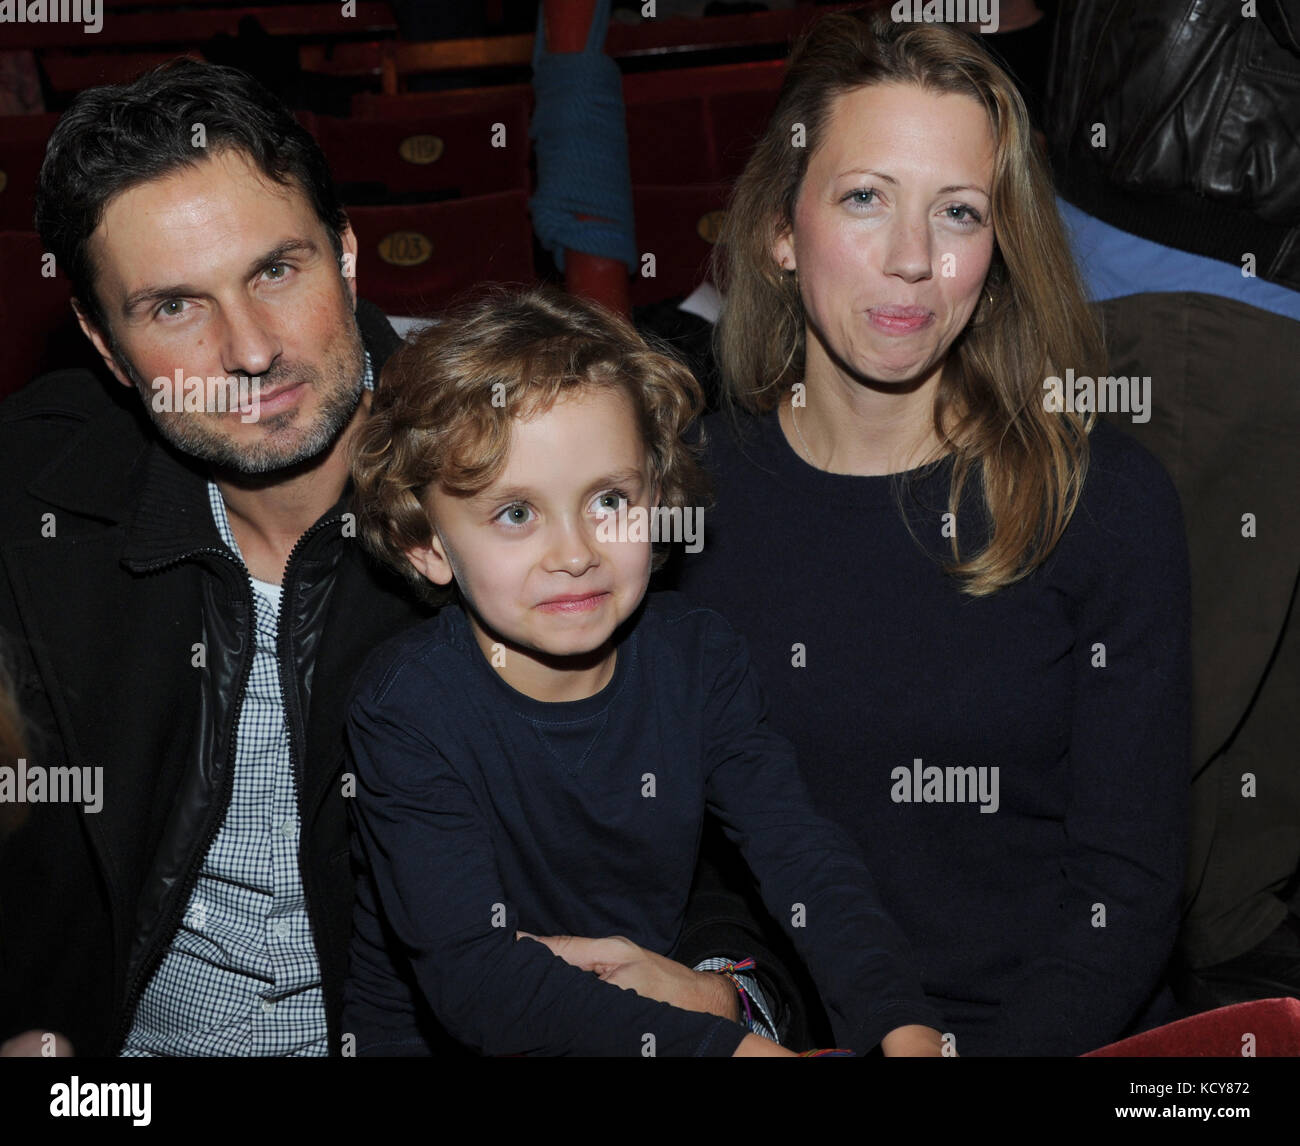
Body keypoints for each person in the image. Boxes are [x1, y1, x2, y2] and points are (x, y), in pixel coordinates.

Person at [540, 10, 1192, 1056]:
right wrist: (737, 1005)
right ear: (779, 231)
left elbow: (1128, 889)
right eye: (863, 199)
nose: (910, 260)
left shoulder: (1101, 503)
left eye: (959, 214)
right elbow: (685, 851)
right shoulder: (681, 503)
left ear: (1001, 253)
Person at [340, 285, 946, 1057]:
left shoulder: (699, 661)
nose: (575, 553)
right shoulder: (408, 709)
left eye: (609, 500)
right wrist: (729, 1052)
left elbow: (805, 861)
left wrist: (905, 1026)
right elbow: (475, 979)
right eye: (516, 514)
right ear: (428, 546)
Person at [0, 59, 434, 1057]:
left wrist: (723, 985)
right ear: (104, 346)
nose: (248, 350)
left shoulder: (515, 475)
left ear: (349, 254)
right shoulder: (26, 502)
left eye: (277, 270)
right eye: (173, 307)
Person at [1043, 0, 1300, 1012]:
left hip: (1206, 251)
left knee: (1257, 694)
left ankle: (1226, 954)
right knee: (1166, 697)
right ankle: (1049, 992)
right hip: (1202, 269)